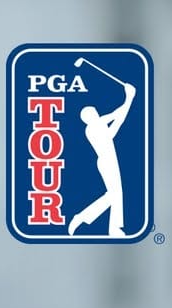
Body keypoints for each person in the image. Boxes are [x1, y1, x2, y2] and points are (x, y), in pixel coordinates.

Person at [68, 81, 136, 237]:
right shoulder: (92, 127)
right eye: (92, 112)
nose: (96, 112)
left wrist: (129, 98)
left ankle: (110, 227)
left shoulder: (99, 124)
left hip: (110, 159)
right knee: (114, 194)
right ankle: (86, 218)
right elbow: (116, 119)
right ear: (88, 117)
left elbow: (118, 119)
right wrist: (129, 97)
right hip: (106, 161)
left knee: (115, 194)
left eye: (95, 111)